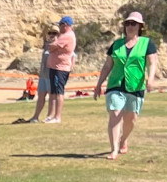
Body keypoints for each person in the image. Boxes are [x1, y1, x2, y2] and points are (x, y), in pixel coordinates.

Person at [93, 11, 159, 159]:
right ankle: (114, 149)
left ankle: (123, 140)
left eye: (133, 23)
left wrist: (150, 79)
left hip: (135, 85)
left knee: (131, 119)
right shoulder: (116, 45)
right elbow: (107, 65)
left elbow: (152, 62)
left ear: (140, 26)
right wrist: (99, 85)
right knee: (115, 113)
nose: (130, 26)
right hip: (115, 84)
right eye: (127, 23)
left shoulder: (147, 43)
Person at [42, 15, 77, 124]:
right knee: (53, 92)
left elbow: (51, 46)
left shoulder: (67, 36)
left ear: (65, 25)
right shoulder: (66, 35)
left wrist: (52, 46)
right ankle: (50, 115)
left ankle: (57, 117)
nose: (59, 28)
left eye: (60, 25)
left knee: (59, 92)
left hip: (60, 68)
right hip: (55, 67)